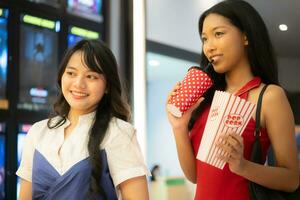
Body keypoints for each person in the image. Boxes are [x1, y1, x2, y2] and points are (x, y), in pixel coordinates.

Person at [166, 0, 299, 199]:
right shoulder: (207, 99)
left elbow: (291, 180)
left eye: (218, 34)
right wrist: (178, 126)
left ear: (246, 36)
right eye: (204, 39)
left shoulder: (269, 96)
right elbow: (194, 176)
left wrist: (243, 166)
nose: (209, 47)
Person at [17, 39, 149, 200]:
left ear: (107, 85)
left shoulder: (119, 133)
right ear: (61, 76)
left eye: (91, 76)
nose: (79, 84)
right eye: (71, 73)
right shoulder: (38, 131)